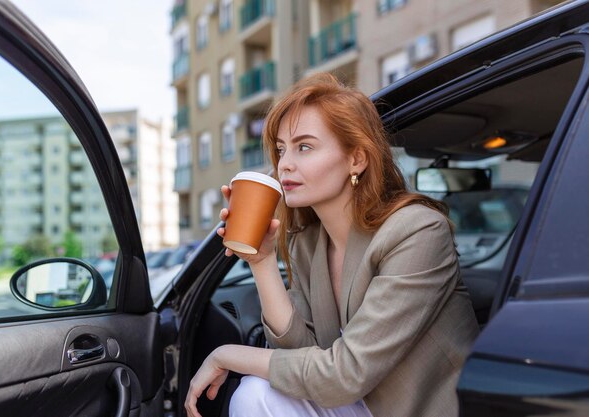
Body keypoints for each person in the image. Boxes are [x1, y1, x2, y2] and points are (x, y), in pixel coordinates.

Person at [184, 73, 480, 417]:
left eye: (304, 147)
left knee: (256, 390)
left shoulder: (417, 231)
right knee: (257, 395)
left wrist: (227, 355)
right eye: (281, 150)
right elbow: (301, 355)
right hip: (353, 402)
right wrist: (261, 261)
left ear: (356, 159)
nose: (284, 164)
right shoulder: (308, 244)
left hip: (413, 409)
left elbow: (345, 373)